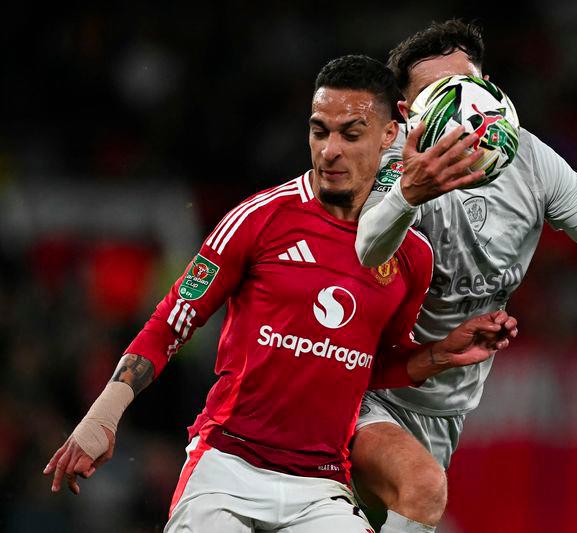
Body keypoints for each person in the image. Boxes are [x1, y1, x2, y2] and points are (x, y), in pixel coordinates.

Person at [43, 54, 518, 533]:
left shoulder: (412, 257)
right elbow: (171, 322)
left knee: (428, 491)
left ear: (389, 136)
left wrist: (439, 354)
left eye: (350, 134)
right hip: (226, 467)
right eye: (319, 131)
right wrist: (103, 415)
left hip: (321, 486)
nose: (330, 150)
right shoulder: (259, 218)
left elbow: (369, 366)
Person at [350, 20, 577, 533]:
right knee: (419, 488)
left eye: (467, 86)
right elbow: (365, 251)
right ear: (407, 114)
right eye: (437, 93)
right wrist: (409, 190)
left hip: (443, 410)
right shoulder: (388, 161)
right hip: (362, 385)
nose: (460, 105)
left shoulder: (535, 163)